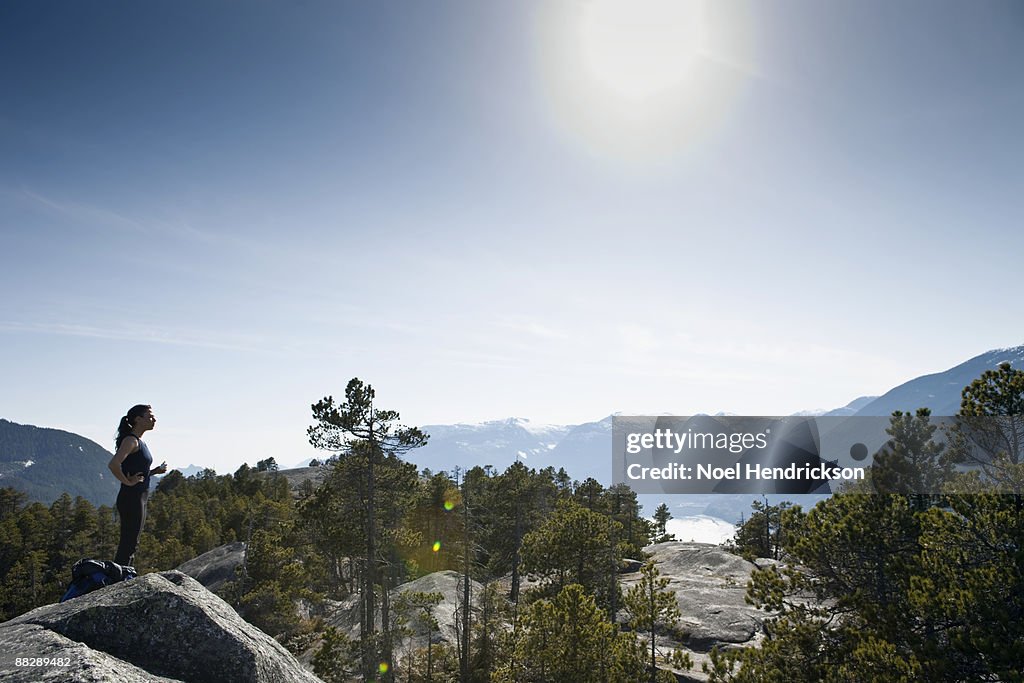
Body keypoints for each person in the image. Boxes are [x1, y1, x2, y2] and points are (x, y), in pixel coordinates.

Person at [107, 404, 167, 567]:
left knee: (132, 542)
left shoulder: (139, 442)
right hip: (132, 498)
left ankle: (122, 575)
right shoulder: (131, 441)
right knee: (129, 543)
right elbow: (113, 464)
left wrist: (153, 471)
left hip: (137, 498)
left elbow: (137, 471)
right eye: (150, 416)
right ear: (137, 419)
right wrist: (128, 482)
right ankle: (119, 580)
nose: (154, 419)